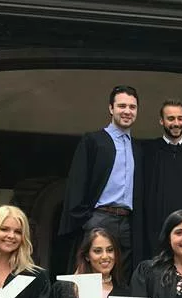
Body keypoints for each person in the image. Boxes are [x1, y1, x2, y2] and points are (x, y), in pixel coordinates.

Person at [60, 85, 145, 279]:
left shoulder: (138, 148)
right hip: (99, 217)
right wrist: (86, 219)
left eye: (132, 107)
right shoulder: (94, 141)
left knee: (122, 275)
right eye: (122, 106)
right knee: (89, 275)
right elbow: (77, 182)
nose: (127, 111)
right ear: (111, 108)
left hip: (126, 222)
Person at [142, 100, 182, 259]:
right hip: (155, 228)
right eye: (171, 118)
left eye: (180, 118)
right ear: (161, 121)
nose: (176, 123)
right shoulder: (149, 151)